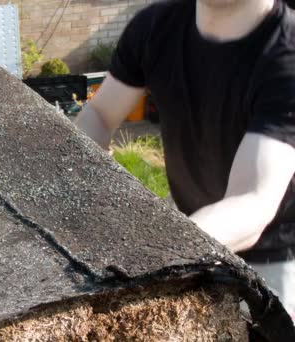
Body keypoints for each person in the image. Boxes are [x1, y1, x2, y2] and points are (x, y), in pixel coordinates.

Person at [75, 0, 295, 319]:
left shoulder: (287, 57)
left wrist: (157, 255)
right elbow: (100, 114)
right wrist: (80, 180)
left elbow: (252, 203)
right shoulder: (155, 27)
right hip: (189, 231)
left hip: (269, 261)